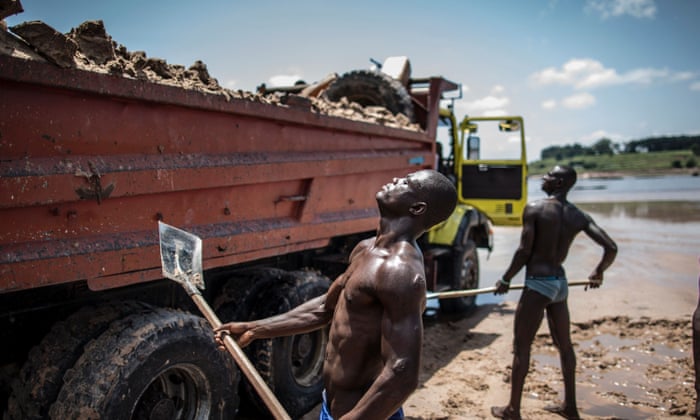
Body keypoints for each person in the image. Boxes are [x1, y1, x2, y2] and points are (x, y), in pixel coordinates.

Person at [215, 169, 457, 420]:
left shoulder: (400, 272)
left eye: (406, 182)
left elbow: (402, 373)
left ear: (417, 208)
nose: (396, 179)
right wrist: (254, 329)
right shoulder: (365, 249)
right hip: (332, 406)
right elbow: (326, 308)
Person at [490, 165, 617, 420]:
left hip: (538, 284)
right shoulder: (578, 215)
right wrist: (598, 272)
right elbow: (611, 247)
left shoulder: (535, 208)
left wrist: (505, 278)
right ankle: (570, 407)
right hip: (560, 284)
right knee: (565, 346)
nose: (543, 178)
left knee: (521, 347)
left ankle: (513, 409)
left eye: (548, 175)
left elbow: (524, 251)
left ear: (559, 183)